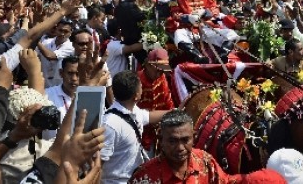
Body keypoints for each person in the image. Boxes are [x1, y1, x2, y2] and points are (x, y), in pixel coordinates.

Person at [130, 109, 286, 183]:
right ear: (161, 140)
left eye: (185, 140)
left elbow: (225, 182)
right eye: (172, 141)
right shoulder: (144, 177)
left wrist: (261, 180)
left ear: (194, 138)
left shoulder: (204, 160)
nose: (180, 148)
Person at [100, 70, 170, 184]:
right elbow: (97, 163)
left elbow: (149, 116)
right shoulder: (110, 125)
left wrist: (178, 111)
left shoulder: (133, 111)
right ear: (136, 96)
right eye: (140, 87)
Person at [170, 0, 239, 64]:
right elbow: (175, 14)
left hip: (207, 28)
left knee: (232, 34)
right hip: (188, 29)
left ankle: (222, 55)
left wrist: (206, 12)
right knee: (178, 35)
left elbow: (215, 9)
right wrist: (188, 18)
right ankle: (198, 57)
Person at [137, 48, 175, 152]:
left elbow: (168, 102)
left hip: (159, 132)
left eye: (163, 70)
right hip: (140, 134)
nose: (160, 72)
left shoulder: (161, 78)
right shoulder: (137, 80)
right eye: (158, 69)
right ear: (148, 64)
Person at [114, 0, 146, 64]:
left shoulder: (118, 6)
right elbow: (144, 17)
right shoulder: (131, 6)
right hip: (137, 43)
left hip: (127, 40)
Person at [36, 19, 75, 88]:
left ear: (70, 33)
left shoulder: (70, 47)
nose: (62, 34)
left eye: (66, 31)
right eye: (60, 30)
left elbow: (50, 56)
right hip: (43, 84)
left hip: (59, 86)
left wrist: (36, 40)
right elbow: (35, 57)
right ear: (56, 29)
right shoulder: (45, 42)